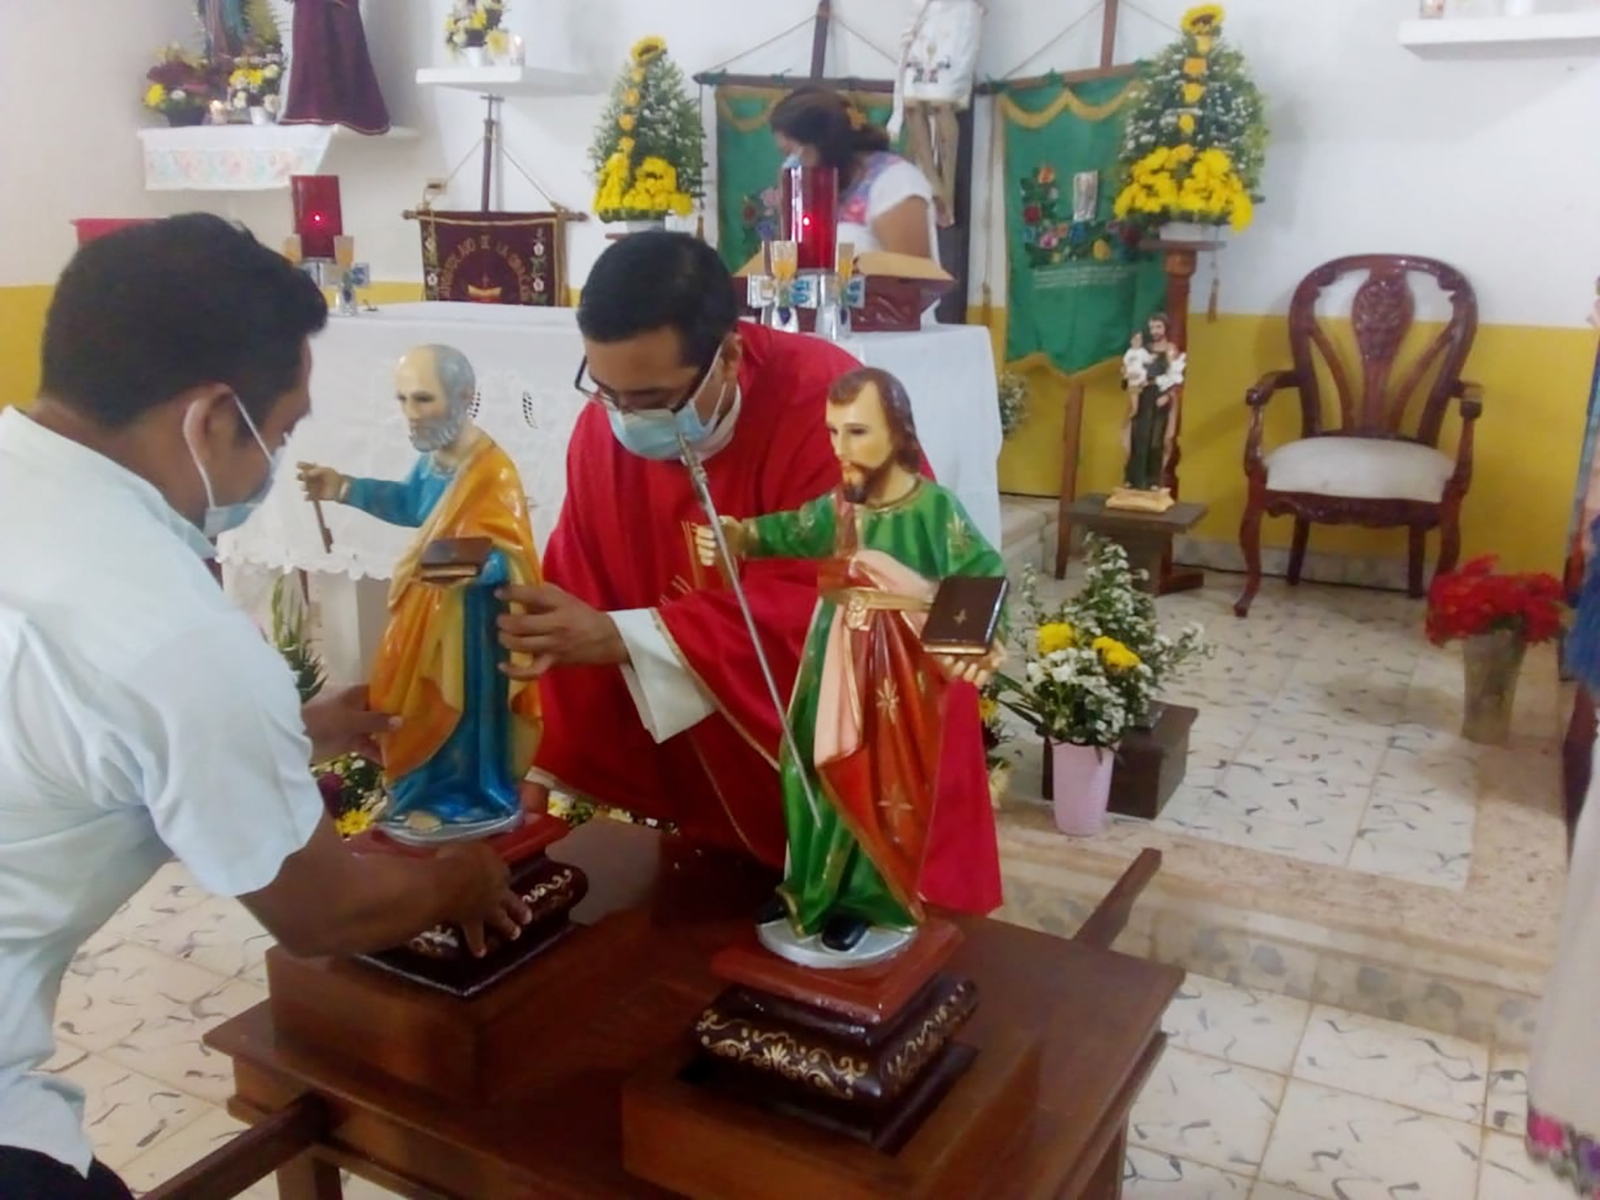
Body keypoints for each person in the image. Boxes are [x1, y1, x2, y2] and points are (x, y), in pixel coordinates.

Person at [0, 215, 529, 1200]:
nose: (270, 470)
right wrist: (461, 883)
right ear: (209, 420)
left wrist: (281, 731)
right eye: (278, 435)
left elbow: (70, 732)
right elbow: (321, 912)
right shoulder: (170, 625)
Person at [495, 232, 860, 870]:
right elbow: (580, 586)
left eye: (653, 399)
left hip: (844, 777)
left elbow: (848, 609)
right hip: (710, 771)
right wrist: (539, 763)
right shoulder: (606, 433)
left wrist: (631, 638)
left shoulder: (836, 412)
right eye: (606, 390)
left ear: (728, 354)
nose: (625, 417)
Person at [695, 368, 1005, 961]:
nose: (841, 449)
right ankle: (810, 892)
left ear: (899, 432)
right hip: (832, 660)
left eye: (858, 432)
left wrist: (978, 645)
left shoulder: (934, 509)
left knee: (878, 782)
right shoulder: (841, 507)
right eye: (833, 433)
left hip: (896, 678)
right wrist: (740, 535)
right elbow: (794, 529)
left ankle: (871, 903)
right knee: (808, 766)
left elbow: (983, 576)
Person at [297, 345, 543, 845]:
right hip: (428, 612)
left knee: (465, 718)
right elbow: (412, 504)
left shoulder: (491, 469)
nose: (411, 413)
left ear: (464, 398)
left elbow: (514, 553)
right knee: (414, 702)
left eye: (423, 399)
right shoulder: (437, 461)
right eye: (403, 399)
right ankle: (422, 793)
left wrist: (472, 568)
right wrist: (343, 488)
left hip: (474, 631)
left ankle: (474, 796)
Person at [770, 86, 940, 264]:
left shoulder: (895, 182)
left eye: (791, 152)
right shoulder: (819, 187)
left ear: (824, 144)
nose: (791, 163)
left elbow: (910, 279)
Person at [278, 0, 392, 135]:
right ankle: (308, 108)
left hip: (336, 9)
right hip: (308, 6)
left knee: (340, 47)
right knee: (308, 50)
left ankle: (340, 110)